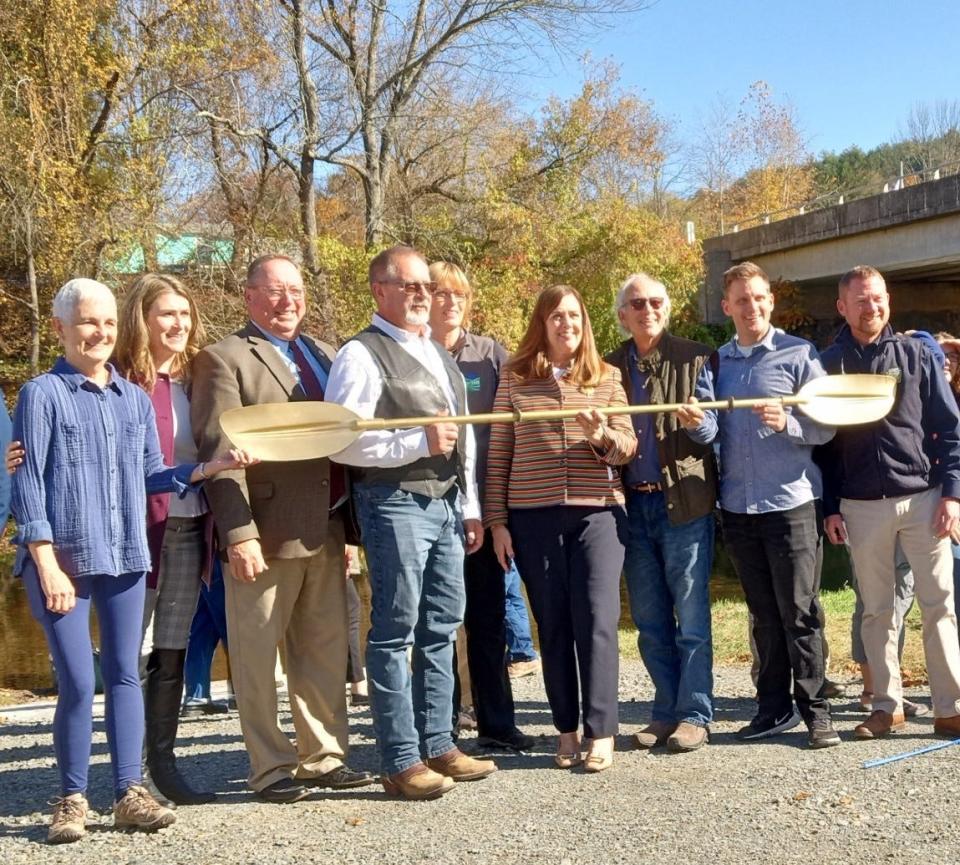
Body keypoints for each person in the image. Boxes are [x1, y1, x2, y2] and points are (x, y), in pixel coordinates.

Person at [11, 278, 252, 844]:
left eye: (108, 323)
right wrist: (45, 562)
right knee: (75, 681)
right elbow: (27, 486)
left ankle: (127, 793)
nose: (98, 333)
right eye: (87, 322)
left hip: (123, 554)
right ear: (61, 329)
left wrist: (205, 471)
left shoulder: (133, 399)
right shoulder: (40, 394)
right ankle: (70, 798)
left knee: (123, 673)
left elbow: (150, 475)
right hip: (63, 562)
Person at [191, 254, 373, 803]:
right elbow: (218, 451)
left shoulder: (325, 354)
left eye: (294, 290)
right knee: (254, 656)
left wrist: (348, 528)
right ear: (249, 297)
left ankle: (322, 757)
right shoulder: (223, 359)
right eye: (273, 292)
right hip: (263, 533)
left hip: (328, 526)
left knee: (321, 651)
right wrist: (239, 533)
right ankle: (269, 768)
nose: (287, 301)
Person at [325, 245, 495, 800]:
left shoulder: (435, 352)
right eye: (411, 285)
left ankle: (439, 742)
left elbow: (461, 434)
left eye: (428, 285)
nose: (424, 295)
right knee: (395, 630)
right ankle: (400, 758)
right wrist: (412, 442)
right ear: (380, 291)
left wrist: (469, 507)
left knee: (443, 624)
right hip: (393, 502)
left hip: (445, 504)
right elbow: (342, 440)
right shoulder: (360, 354)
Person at [677, 262, 840, 749]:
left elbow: (826, 427)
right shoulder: (717, 363)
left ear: (771, 300)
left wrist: (787, 422)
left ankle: (817, 712)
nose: (752, 307)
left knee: (800, 610)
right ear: (727, 307)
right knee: (763, 615)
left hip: (791, 504)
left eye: (759, 297)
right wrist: (693, 421)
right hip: (738, 508)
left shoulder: (798, 354)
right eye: (741, 300)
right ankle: (772, 709)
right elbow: (709, 433)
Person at [485, 284, 637, 772]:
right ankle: (566, 730)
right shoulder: (514, 378)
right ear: (542, 323)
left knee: (596, 619)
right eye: (556, 316)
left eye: (573, 315)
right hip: (532, 516)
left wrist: (601, 436)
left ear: (584, 323)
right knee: (552, 626)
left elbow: (627, 447)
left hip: (598, 513)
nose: (565, 323)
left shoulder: (607, 377)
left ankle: (602, 731)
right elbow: (498, 453)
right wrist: (497, 521)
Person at [818, 265, 960, 739]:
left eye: (877, 297)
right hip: (860, 505)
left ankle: (950, 707)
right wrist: (830, 508)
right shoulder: (828, 363)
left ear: (888, 301)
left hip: (923, 498)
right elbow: (824, 447)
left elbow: (949, 429)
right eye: (859, 299)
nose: (870, 307)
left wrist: (952, 494)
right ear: (842, 306)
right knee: (877, 610)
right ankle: (886, 706)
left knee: (938, 605)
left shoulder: (917, 354)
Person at [114, 273, 217, 804]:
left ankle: (164, 765)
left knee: (171, 650)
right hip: (136, 533)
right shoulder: (121, 382)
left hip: (189, 527)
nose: (178, 324)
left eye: (184, 314)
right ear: (142, 320)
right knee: (126, 653)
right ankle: (126, 775)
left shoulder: (198, 379)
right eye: (166, 315)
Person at [606, 273, 717, 753]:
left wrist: (701, 423)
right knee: (649, 620)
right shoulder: (607, 366)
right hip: (632, 505)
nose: (647, 309)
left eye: (655, 301)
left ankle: (695, 714)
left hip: (684, 502)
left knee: (691, 616)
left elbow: (715, 432)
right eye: (637, 303)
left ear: (665, 309)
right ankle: (663, 711)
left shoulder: (694, 357)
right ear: (622, 314)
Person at [427, 260, 535, 752]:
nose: (450, 303)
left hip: (485, 506)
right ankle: (440, 726)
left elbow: (522, 413)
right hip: (430, 507)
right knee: (436, 623)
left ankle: (497, 724)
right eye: (440, 294)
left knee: (488, 620)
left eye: (459, 296)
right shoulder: (412, 352)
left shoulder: (489, 355)